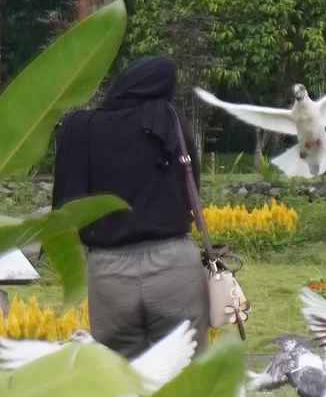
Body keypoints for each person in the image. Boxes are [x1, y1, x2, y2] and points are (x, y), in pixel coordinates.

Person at [51, 55, 209, 359]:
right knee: (187, 376)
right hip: (174, 265)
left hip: (109, 274)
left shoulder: (82, 127)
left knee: (122, 382)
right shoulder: (171, 122)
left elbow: (67, 206)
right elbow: (193, 190)